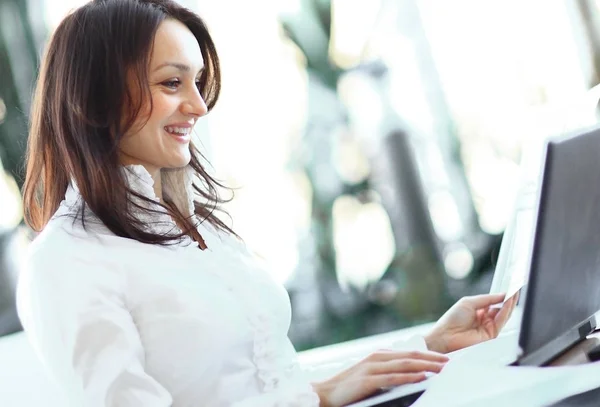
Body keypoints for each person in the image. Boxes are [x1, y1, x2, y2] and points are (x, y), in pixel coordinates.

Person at [16, 0, 518, 406]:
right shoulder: (65, 262)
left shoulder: (199, 229)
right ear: (98, 96)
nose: (197, 104)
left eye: (197, 82)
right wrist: (315, 397)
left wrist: (424, 347)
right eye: (172, 83)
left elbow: (269, 379)